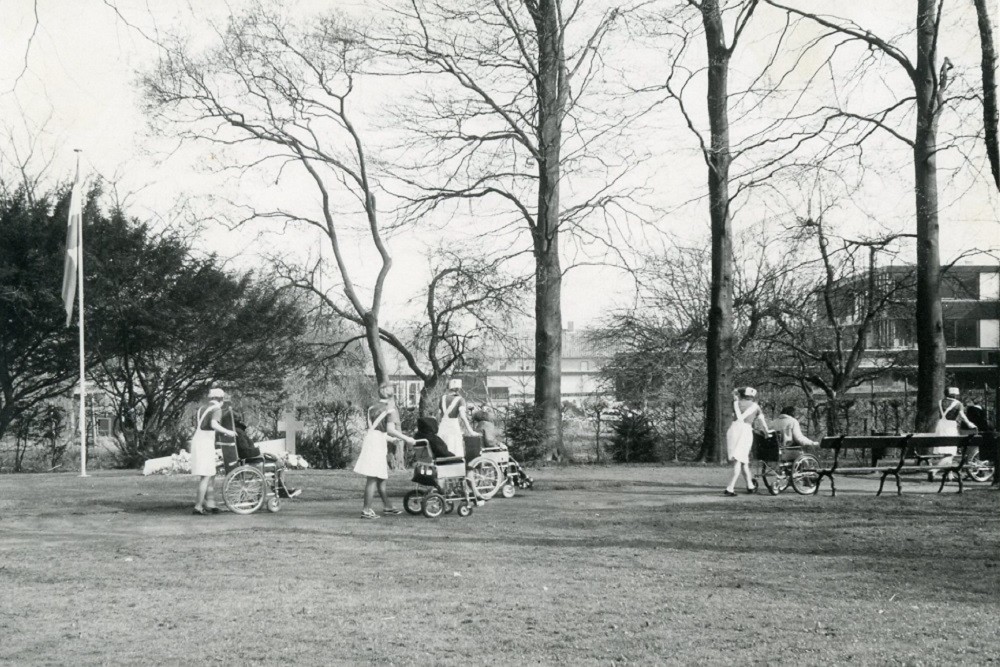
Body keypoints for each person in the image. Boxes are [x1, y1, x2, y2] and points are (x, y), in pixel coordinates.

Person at [353, 383, 417, 519]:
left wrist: (391, 440)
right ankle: (366, 510)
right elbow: (390, 429)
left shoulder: (371, 408)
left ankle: (388, 506)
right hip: (377, 444)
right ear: (392, 396)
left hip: (372, 440)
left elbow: (376, 431)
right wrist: (407, 439)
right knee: (372, 478)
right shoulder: (391, 410)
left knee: (381, 477)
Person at [190, 387, 236, 515]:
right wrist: (228, 431)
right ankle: (198, 506)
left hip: (198, 440)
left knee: (210, 474)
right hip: (204, 443)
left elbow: (204, 426)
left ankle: (210, 503)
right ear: (221, 400)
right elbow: (214, 424)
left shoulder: (202, 408)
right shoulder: (216, 409)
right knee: (206, 476)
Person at [724, 387, 767, 496]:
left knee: (743, 461)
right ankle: (730, 488)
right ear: (752, 397)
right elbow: (762, 422)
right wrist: (767, 432)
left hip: (733, 429)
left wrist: (736, 394)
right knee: (739, 460)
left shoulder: (735, 403)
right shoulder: (756, 407)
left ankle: (750, 485)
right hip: (745, 431)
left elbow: (734, 397)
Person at [932, 387, 976, 473]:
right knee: (951, 453)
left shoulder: (940, 402)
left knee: (946, 452)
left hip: (941, 425)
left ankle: (949, 475)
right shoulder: (958, 404)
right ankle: (934, 470)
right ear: (954, 395)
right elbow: (962, 416)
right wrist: (970, 424)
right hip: (950, 427)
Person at [438, 379, 475, 458]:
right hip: (453, 427)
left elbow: (439, 414)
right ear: (459, 389)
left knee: (442, 449)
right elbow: (462, 416)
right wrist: (471, 430)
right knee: (454, 449)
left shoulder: (442, 398)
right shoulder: (460, 399)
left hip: (442, 426)